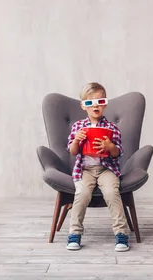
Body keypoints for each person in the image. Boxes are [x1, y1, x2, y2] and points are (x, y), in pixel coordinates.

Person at [66, 82, 130, 252]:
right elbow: (72, 152)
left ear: (105, 105)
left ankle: (121, 233)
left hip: (106, 169)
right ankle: (75, 233)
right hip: (84, 170)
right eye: (90, 102)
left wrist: (110, 147)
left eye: (100, 101)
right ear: (83, 106)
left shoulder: (112, 128)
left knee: (111, 193)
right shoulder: (78, 127)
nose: (95, 105)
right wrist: (76, 141)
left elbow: (117, 153)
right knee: (82, 194)